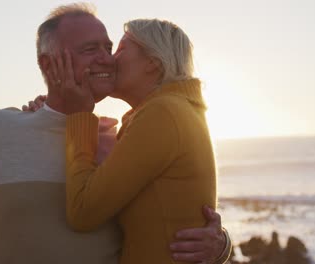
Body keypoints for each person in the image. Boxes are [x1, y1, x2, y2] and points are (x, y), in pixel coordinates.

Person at [0, 3, 231, 264]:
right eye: (92, 49)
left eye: (110, 47)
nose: (107, 58)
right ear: (48, 65)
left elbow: (170, 212)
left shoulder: (122, 135)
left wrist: (220, 245)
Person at [43, 13, 229, 263]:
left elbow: (83, 212)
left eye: (119, 50)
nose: (110, 60)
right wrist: (47, 115)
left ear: (152, 62)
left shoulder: (162, 113)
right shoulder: (179, 109)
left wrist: (79, 116)